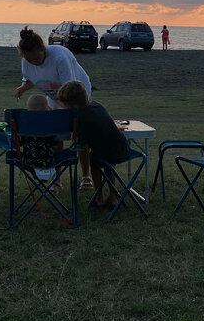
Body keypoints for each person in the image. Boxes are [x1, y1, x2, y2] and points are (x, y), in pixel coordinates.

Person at [16, 27, 93, 185]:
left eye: (37, 59)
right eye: (30, 60)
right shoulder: (27, 62)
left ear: (43, 49)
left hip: (76, 93)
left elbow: (70, 89)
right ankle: (56, 179)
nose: (34, 63)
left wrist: (66, 113)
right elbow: (31, 78)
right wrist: (23, 88)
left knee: (80, 133)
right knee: (55, 135)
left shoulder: (60, 57)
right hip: (53, 95)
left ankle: (86, 177)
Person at [57, 80, 129, 209]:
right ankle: (113, 198)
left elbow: (83, 145)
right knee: (108, 166)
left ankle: (99, 197)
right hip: (122, 148)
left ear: (72, 105)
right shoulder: (97, 105)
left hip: (107, 151)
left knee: (94, 163)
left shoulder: (81, 117)